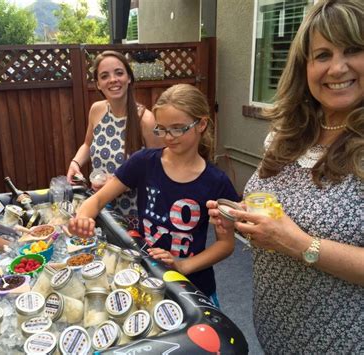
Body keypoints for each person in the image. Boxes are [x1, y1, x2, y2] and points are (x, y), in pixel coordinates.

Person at [207, 0, 363, 352]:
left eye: (353, 50)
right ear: (304, 67)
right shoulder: (289, 133)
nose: (337, 68)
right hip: (276, 329)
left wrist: (300, 244)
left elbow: (293, 235)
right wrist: (240, 215)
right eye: (322, 55)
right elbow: (278, 207)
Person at [70, 84, 239, 304]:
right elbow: (99, 199)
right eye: (161, 129)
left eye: (178, 128)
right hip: (147, 277)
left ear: (202, 124)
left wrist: (182, 264)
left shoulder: (216, 182)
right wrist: (83, 216)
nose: (169, 137)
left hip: (193, 286)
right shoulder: (144, 162)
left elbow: (226, 244)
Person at [66, 50, 163, 227]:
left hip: (134, 214)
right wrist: (75, 163)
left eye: (119, 73)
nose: (113, 79)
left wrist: (118, 184)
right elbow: (88, 144)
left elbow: (160, 171)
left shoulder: (146, 120)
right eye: (105, 76)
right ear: (98, 84)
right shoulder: (97, 110)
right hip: (102, 207)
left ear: (129, 78)